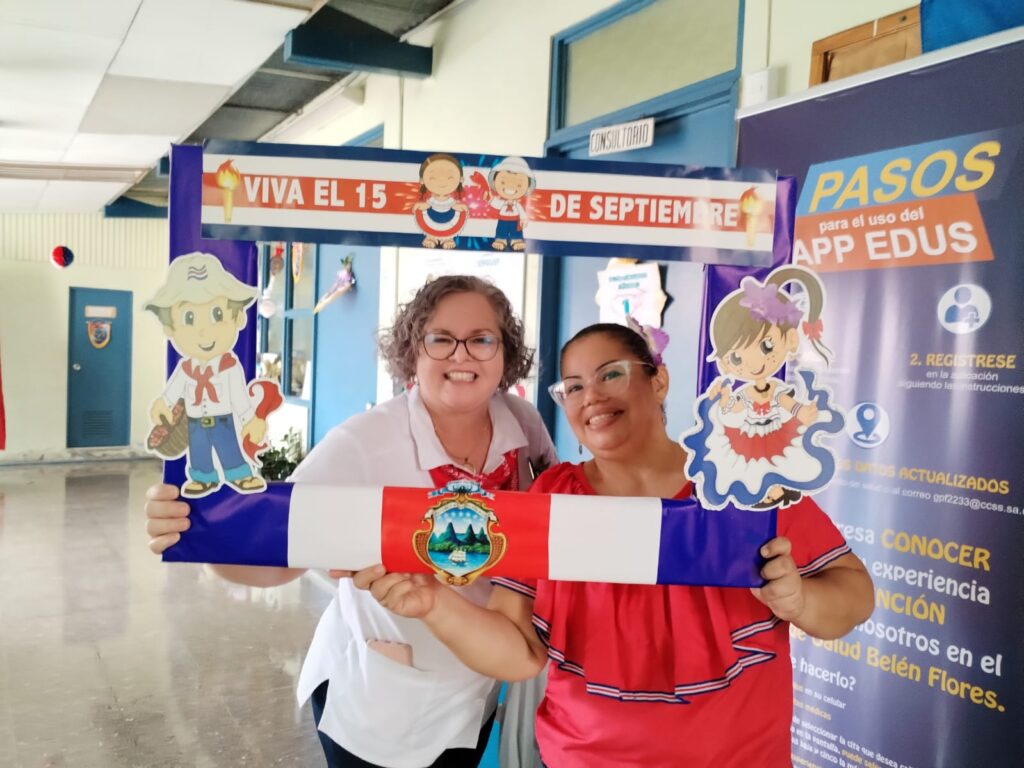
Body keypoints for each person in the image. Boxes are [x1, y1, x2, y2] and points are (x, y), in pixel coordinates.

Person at [354, 322, 874, 768]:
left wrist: (801, 600)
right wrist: (434, 605)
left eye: (611, 374)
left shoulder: (742, 479)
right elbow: (518, 653)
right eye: (573, 387)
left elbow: (855, 596)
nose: (592, 397)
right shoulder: (553, 496)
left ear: (659, 380)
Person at [146, 275, 557, 768]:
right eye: (440, 339)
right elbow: (277, 556)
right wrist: (205, 532)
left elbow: (547, 525)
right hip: (381, 698)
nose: (462, 355)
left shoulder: (525, 426)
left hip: (479, 681)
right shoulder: (365, 442)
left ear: (505, 352)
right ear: (412, 351)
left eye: (482, 339)